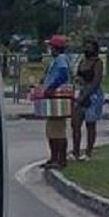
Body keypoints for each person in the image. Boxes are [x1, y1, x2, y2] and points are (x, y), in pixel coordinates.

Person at [41, 34, 72, 169]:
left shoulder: (61, 59)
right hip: (52, 98)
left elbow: (62, 75)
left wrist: (51, 87)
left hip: (58, 98)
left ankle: (60, 159)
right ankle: (54, 158)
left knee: (58, 130)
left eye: (51, 47)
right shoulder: (56, 60)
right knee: (51, 130)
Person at [71, 38, 105, 160]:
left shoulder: (98, 63)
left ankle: (88, 152)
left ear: (95, 49)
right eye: (85, 47)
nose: (86, 50)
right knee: (75, 124)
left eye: (89, 47)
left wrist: (86, 95)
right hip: (81, 92)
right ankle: (75, 152)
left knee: (90, 124)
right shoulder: (82, 61)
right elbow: (77, 76)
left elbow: (96, 81)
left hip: (94, 95)